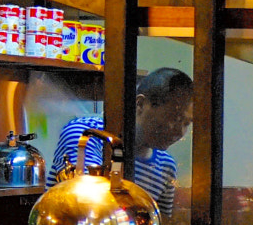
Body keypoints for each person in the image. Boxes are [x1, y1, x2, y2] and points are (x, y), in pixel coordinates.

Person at [52, 67, 193, 215]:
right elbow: (88, 209)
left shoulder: (166, 167)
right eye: (173, 118)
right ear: (140, 104)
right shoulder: (88, 135)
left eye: (186, 123)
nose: (180, 132)